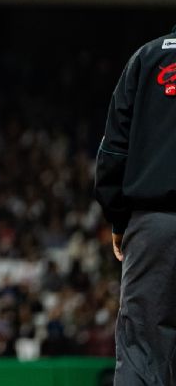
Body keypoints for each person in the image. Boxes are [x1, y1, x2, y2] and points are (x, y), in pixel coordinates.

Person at [94, 26, 176, 386]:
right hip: (152, 223)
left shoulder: (147, 57)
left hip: (153, 225)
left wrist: (118, 219)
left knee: (143, 353)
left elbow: (113, 149)